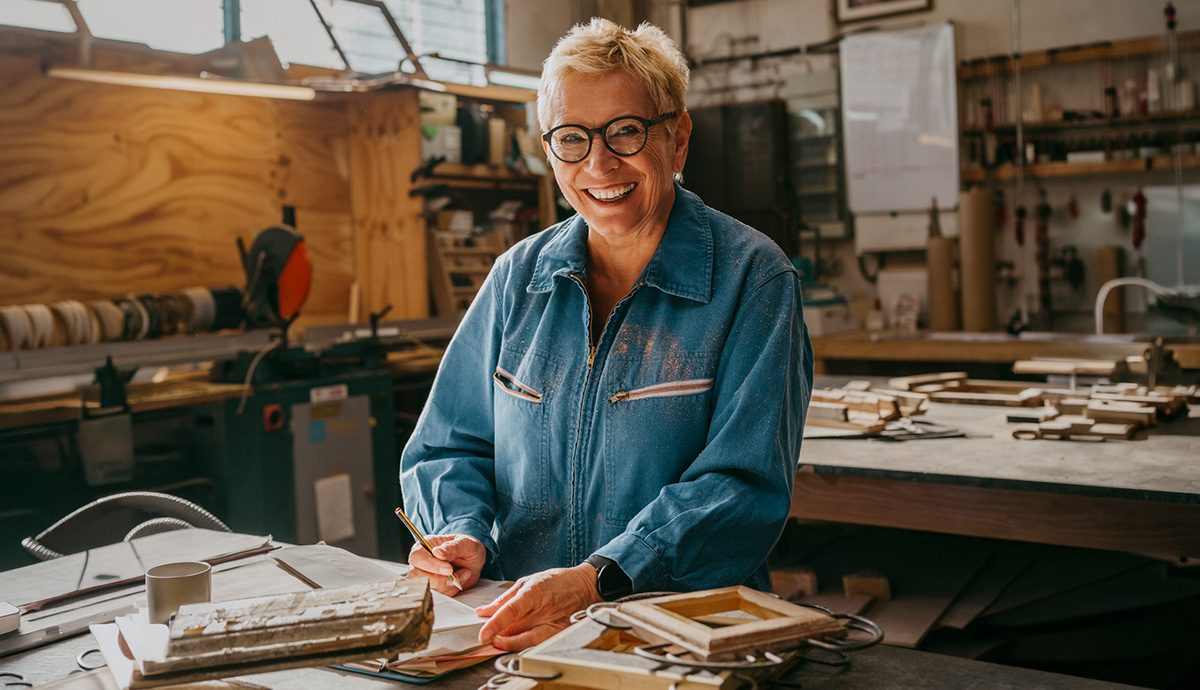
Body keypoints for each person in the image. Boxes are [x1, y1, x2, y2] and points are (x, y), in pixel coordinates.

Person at [400, 17, 812, 652]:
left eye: (625, 132)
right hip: (518, 632)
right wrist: (460, 530)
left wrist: (600, 581)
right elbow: (446, 446)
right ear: (550, 149)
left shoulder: (752, 280)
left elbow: (741, 487)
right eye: (572, 138)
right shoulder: (519, 279)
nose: (598, 163)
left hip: (679, 637)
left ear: (677, 140)